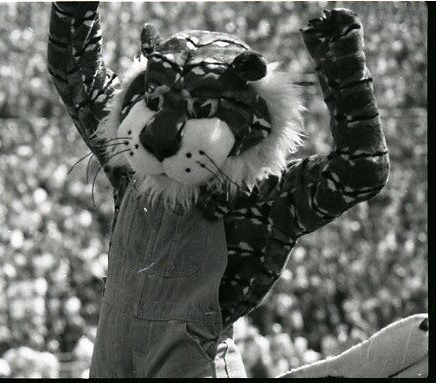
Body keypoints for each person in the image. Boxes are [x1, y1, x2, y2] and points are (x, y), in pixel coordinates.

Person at [47, 2, 388, 378]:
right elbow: (72, 69)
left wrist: (342, 67)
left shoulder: (257, 198)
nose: (161, 132)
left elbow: (360, 170)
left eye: (203, 108)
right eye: (155, 102)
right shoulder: (131, 171)